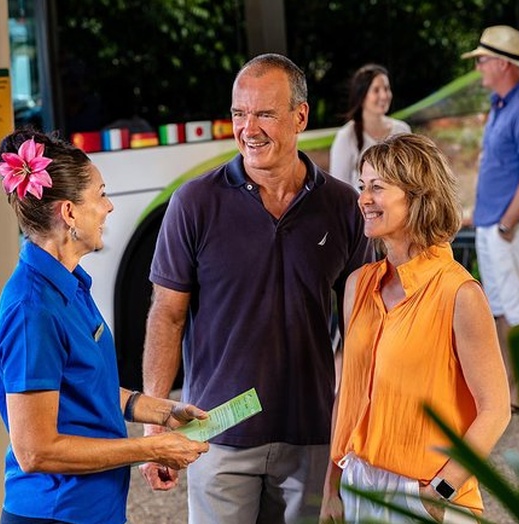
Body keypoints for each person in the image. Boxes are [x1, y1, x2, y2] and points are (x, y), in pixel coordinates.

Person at [140, 53, 373, 523]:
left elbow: (360, 328)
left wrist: (349, 428)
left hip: (310, 434)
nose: (249, 128)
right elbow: (167, 314)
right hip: (217, 432)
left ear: (300, 116)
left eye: (265, 113)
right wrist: (155, 427)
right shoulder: (194, 203)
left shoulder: (343, 206)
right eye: (239, 114)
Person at [0, 129, 209, 524]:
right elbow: (36, 451)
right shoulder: (32, 310)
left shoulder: (68, 283)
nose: (108, 207)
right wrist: (151, 450)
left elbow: (85, 386)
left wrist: (164, 412)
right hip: (57, 514)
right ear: (70, 213)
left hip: (93, 510)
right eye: (101, 194)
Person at [320, 133, 511, 523]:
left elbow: (496, 409)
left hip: (425, 492)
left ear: (417, 195)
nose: (363, 199)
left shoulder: (459, 292)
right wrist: (331, 487)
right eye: (362, 187)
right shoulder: (358, 285)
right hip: (360, 482)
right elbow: (349, 395)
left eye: (377, 187)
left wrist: (441, 491)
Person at [461, 25, 519, 412]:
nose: (478, 66)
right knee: (500, 308)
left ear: (502, 64)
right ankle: (506, 388)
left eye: (482, 60)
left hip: (509, 228)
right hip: (493, 225)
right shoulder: (502, 104)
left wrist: (505, 224)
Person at [329, 64, 411, 189]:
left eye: (387, 88)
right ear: (361, 95)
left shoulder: (402, 130)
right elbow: (337, 189)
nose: (384, 96)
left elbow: (411, 178)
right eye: (376, 90)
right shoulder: (346, 137)